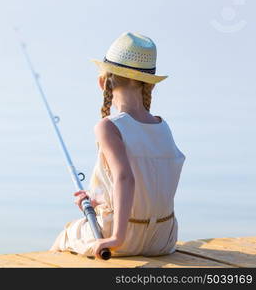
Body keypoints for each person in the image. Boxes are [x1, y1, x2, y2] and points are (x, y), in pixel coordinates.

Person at [49, 32, 186, 259]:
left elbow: (125, 178)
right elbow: (148, 184)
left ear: (103, 82)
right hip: (163, 238)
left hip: (124, 237)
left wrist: (117, 238)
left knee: (65, 236)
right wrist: (99, 200)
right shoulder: (163, 127)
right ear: (148, 86)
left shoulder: (108, 126)